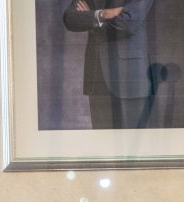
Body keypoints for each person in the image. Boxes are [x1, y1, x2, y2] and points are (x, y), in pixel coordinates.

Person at [61, 0, 155, 129]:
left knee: (130, 143)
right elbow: (69, 18)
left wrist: (90, 20)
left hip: (130, 77)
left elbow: (127, 23)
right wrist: (102, 14)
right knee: (101, 143)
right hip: (96, 75)